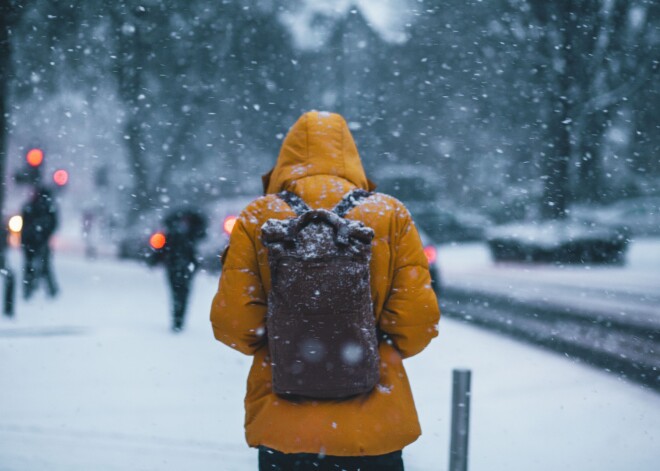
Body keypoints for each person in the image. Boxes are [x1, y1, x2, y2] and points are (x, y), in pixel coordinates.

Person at [210, 111, 440, 470]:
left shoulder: (258, 217)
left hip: (284, 431)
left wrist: (287, 343)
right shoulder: (390, 214)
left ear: (285, 159)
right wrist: (367, 348)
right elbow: (417, 321)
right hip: (374, 430)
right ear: (351, 156)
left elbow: (233, 324)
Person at [150, 208, 207, 332]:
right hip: (182, 266)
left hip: (178, 266)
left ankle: (178, 319)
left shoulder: (176, 232)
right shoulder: (189, 233)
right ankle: (178, 319)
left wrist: (155, 260)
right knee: (180, 293)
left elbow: (161, 248)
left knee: (178, 293)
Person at [21, 186, 59, 299]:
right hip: (36, 240)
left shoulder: (32, 206)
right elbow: (53, 224)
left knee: (32, 266)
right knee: (43, 265)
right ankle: (48, 290)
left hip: (32, 241)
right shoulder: (46, 207)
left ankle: (29, 289)